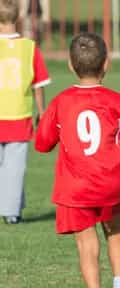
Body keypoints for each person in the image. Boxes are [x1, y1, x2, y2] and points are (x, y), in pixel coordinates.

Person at [35, 32, 120, 288]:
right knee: (115, 230)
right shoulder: (114, 101)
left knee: (85, 242)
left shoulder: (62, 102)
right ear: (107, 64)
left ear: (69, 64)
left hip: (74, 186)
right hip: (109, 181)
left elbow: (42, 144)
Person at [0, 0, 50, 224]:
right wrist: (42, 111)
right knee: (15, 167)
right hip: (19, 116)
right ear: (17, 18)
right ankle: (11, 212)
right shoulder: (30, 47)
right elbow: (38, 85)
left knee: (6, 168)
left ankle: (12, 207)